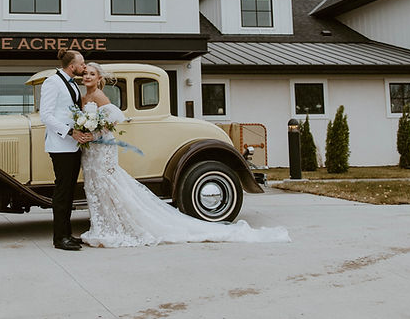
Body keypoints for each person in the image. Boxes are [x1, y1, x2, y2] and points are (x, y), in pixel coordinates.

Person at [78, 62, 290, 247]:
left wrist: (94, 133)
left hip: (101, 147)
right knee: (99, 186)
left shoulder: (98, 95)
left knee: (108, 184)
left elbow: (116, 116)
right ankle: (104, 224)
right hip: (93, 150)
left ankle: (112, 226)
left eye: (91, 74)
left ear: (99, 78)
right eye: (85, 73)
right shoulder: (85, 96)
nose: (87, 76)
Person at [38, 48, 93, 251]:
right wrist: (70, 132)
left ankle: (67, 233)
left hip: (73, 145)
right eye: (82, 63)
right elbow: (46, 115)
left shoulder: (73, 83)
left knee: (69, 191)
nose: (84, 66)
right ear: (72, 66)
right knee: (62, 192)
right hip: (61, 145)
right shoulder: (52, 82)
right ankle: (59, 238)